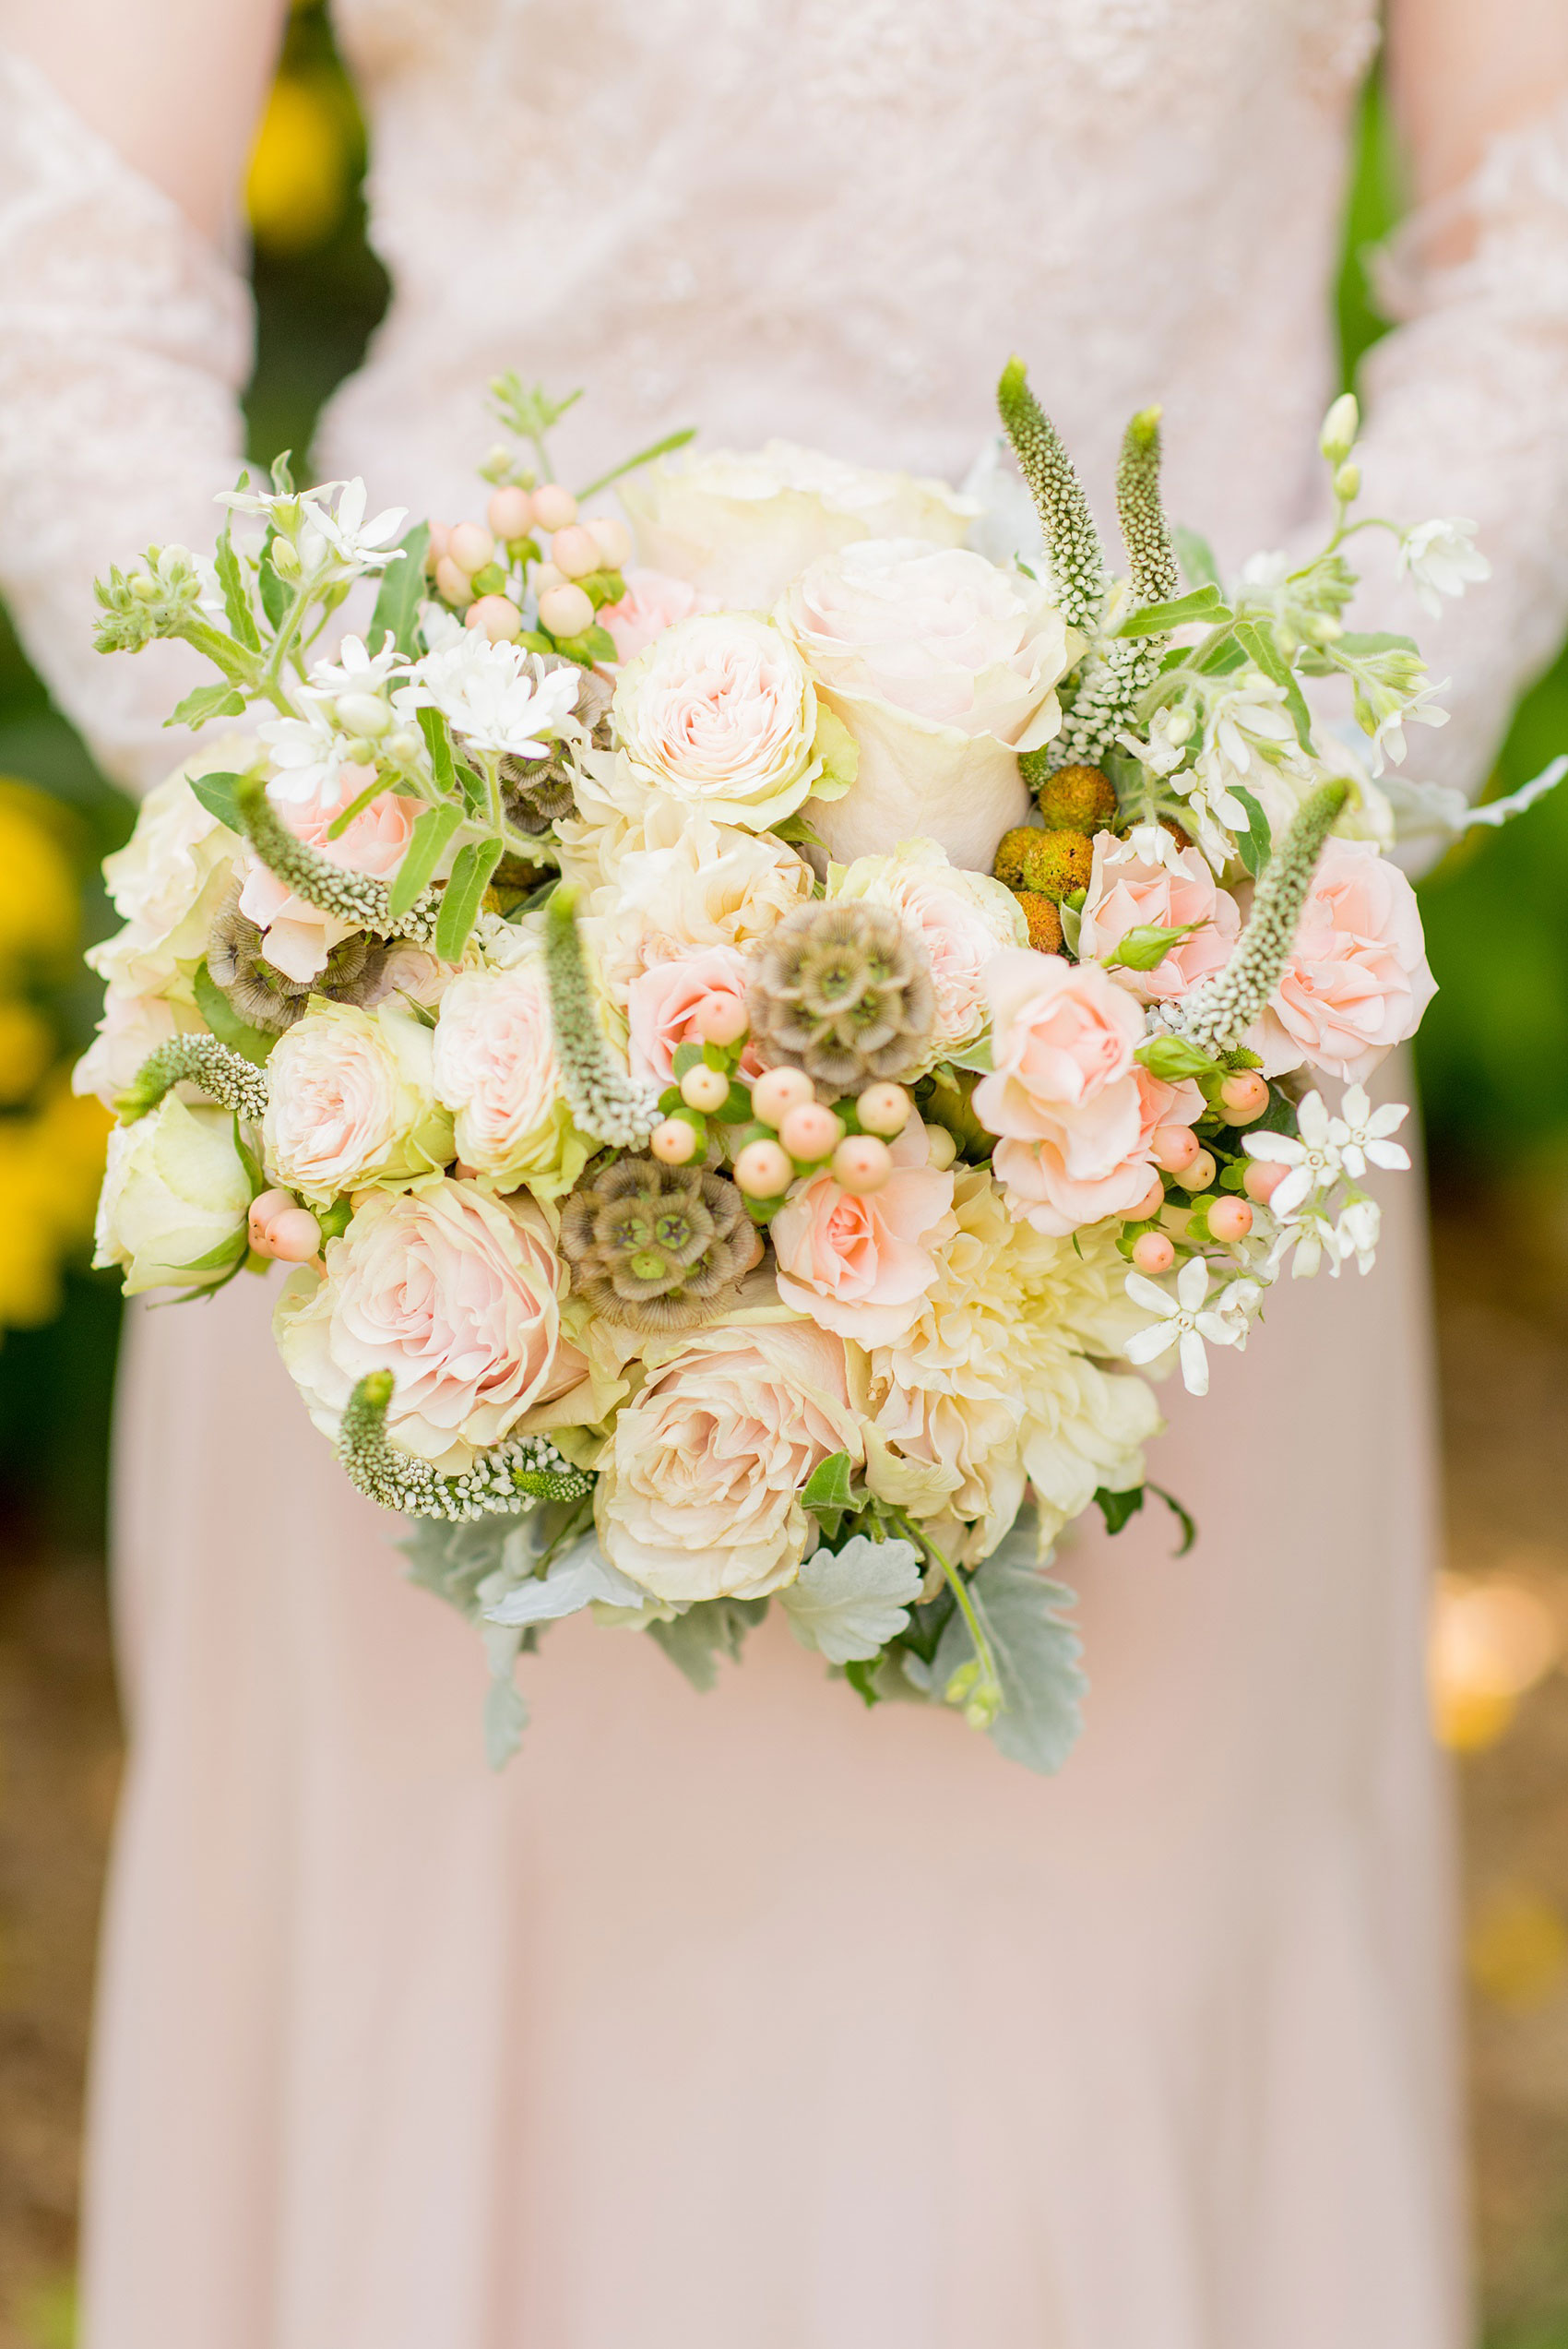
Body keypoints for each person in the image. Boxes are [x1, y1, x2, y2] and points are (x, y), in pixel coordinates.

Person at [1, 4, 1566, 2343]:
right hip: (442, 1118)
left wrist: (1250, 830)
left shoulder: (1196, 962)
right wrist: (381, 868)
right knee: (481, 2063)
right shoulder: (422, 1000)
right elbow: (58, 244)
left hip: (1166, 1124)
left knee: (1078, 2073)